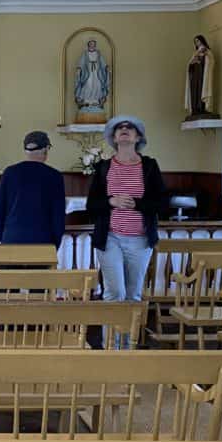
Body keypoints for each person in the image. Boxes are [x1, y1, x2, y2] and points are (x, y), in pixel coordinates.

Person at [87, 116, 167, 349]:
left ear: (138, 137)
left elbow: (162, 203)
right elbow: (92, 205)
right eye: (119, 128)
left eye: (129, 128)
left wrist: (138, 204)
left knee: (132, 295)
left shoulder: (149, 166)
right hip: (110, 237)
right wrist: (111, 201)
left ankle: (127, 349)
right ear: (113, 137)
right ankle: (111, 349)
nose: (124, 130)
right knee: (115, 292)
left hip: (140, 240)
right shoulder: (103, 167)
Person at [0, 131, 66, 246]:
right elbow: (58, 217)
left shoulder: (9, 173)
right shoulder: (54, 176)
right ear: (45, 149)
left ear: (25, 150)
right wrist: (55, 244)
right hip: (43, 240)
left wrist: (5, 237)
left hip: (12, 238)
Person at [185, 34, 216, 119]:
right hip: (196, 77)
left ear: (202, 41)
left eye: (198, 41)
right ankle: (196, 108)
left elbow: (211, 62)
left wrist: (204, 58)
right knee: (196, 92)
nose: (197, 43)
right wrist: (193, 63)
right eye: (195, 42)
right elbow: (189, 65)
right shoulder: (195, 53)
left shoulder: (207, 52)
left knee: (202, 91)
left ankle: (203, 108)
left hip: (203, 77)